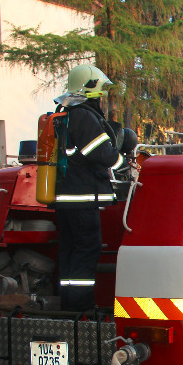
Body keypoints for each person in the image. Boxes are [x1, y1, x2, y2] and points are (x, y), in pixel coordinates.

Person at [53, 64, 127, 312]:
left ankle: (68, 302)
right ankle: (81, 305)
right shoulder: (84, 116)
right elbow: (102, 153)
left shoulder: (65, 114)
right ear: (91, 89)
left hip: (65, 198)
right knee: (87, 249)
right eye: (101, 91)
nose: (103, 97)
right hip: (82, 199)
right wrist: (123, 163)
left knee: (70, 250)